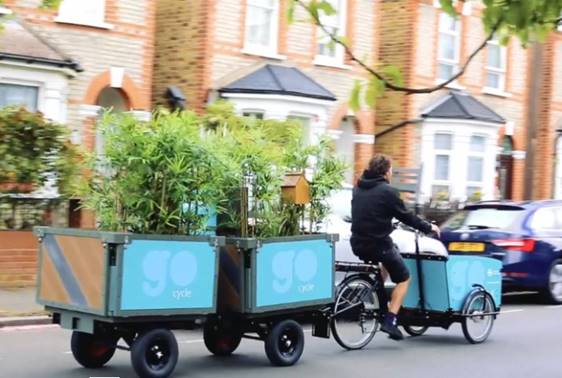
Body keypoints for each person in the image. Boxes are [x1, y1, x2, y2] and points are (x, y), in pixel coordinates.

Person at [350, 154, 440, 340]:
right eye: (391, 170)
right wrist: (429, 227)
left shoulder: (358, 187)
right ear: (385, 171)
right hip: (377, 244)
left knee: (388, 260)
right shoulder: (387, 191)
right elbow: (407, 216)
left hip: (358, 243)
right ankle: (390, 321)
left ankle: (375, 295)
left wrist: (386, 223)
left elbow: (366, 213)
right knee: (404, 277)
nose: (391, 173)